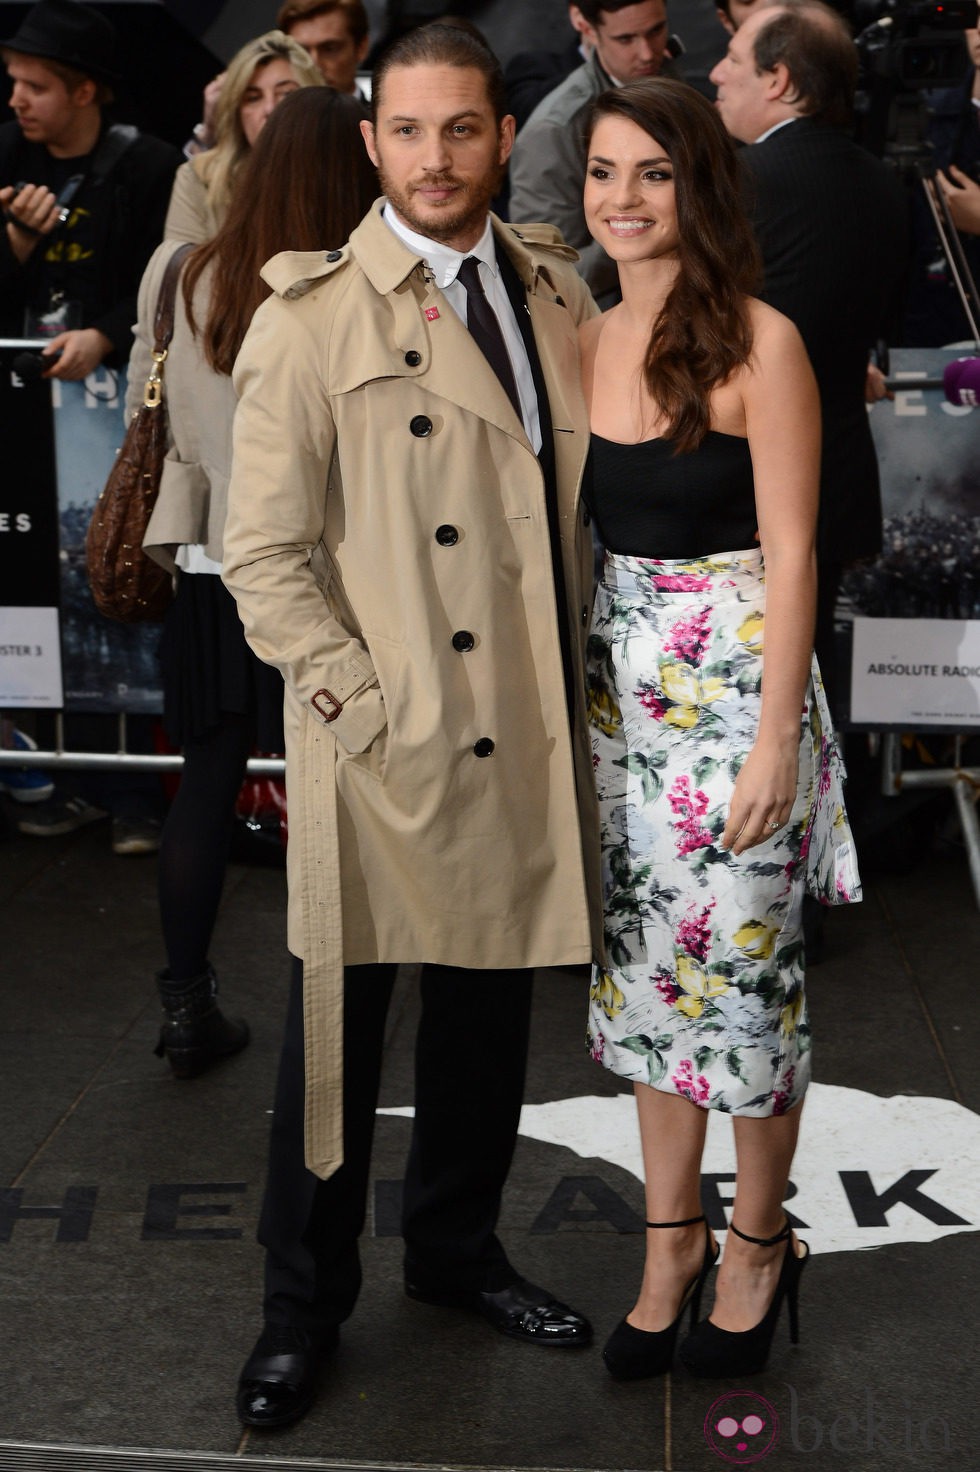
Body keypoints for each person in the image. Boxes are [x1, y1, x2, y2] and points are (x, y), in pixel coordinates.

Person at [221, 21, 602, 1431]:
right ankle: (297, 1311)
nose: (435, 160)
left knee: (488, 1026)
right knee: (338, 1043)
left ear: (504, 134)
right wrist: (357, 706)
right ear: (369, 139)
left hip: (524, 728)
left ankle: (454, 1253)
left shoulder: (556, 289)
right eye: (408, 132)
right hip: (381, 745)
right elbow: (261, 555)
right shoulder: (307, 317)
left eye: (462, 130)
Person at [579, 77, 860, 1381]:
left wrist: (775, 745)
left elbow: (798, 554)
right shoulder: (579, 337)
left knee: (745, 980)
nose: (623, 200)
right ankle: (669, 1241)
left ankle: (758, 1241)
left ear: (702, 186)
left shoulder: (765, 341)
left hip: (740, 689)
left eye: (651, 173)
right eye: (602, 173)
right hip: (614, 705)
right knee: (644, 985)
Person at [132, 88, 378, 1080]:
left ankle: (185, 1000)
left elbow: (156, 424)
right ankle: (335, 1020)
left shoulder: (180, 271)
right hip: (336, 576)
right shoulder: (354, 280)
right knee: (349, 790)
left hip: (211, 563)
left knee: (206, 780)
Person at [709, 0, 907, 712]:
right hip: (839, 476)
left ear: (781, 80)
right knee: (814, 698)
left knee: (742, 710)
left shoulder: (743, 184)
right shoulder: (886, 186)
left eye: (734, 61)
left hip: (742, 494)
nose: (715, 74)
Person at [0, 0, 180, 377]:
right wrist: (14, 242)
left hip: (116, 375)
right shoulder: (5, 151)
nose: (15, 100)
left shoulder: (152, 166)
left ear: (84, 93)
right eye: (14, 80)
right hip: (13, 369)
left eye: (35, 87)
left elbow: (172, 280)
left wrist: (105, 336)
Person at [508, 1, 676, 308]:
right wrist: (653, 231)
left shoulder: (672, 78)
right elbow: (545, 275)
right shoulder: (554, 131)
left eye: (656, 31)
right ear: (587, 29)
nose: (648, 53)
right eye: (626, 39)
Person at [163, 31, 323, 246]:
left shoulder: (349, 172)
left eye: (287, 94)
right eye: (253, 98)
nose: (269, 109)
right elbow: (183, 275)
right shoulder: (197, 179)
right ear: (237, 112)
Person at [277, 0, 371, 95]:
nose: (314, 65)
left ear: (361, 48)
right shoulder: (270, 108)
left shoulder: (381, 110)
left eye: (330, 49)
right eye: (301, 51)